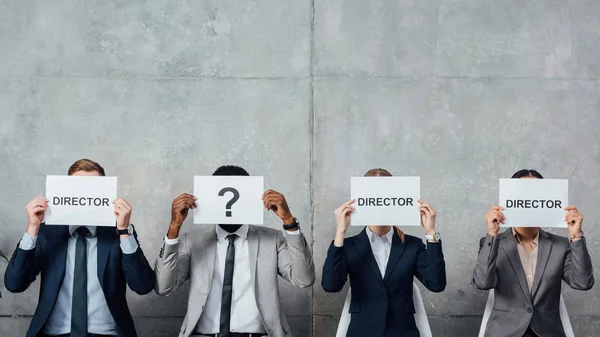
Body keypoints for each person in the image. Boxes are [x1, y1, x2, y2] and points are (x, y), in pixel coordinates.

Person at [154, 165, 315, 337]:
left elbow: (303, 279)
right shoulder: (192, 240)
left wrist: (289, 221)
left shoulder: (272, 239)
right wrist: (174, 229)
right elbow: (164, 287)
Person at [4, 159, 155, 337]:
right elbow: (14, 284)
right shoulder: (47, 234)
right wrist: (32, 229)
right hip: (54, 333)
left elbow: (143, 286)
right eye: (78, 188)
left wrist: (123, 230)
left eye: (93, 188)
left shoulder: (118, 233)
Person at [321, 168, 446, 337]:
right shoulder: (349, 246)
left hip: (403, 332)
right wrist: (340, 232)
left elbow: (436, 284)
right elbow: (330, 285)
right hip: (362, 331)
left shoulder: (412, 245)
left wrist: (431, 232)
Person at [473, 169, 595, 337]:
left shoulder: (560, 245)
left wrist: (576, 235)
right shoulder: (493, 243)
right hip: (504, 332)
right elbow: (482, 283)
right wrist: (492, 234)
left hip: (547, 331)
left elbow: (582, 283)